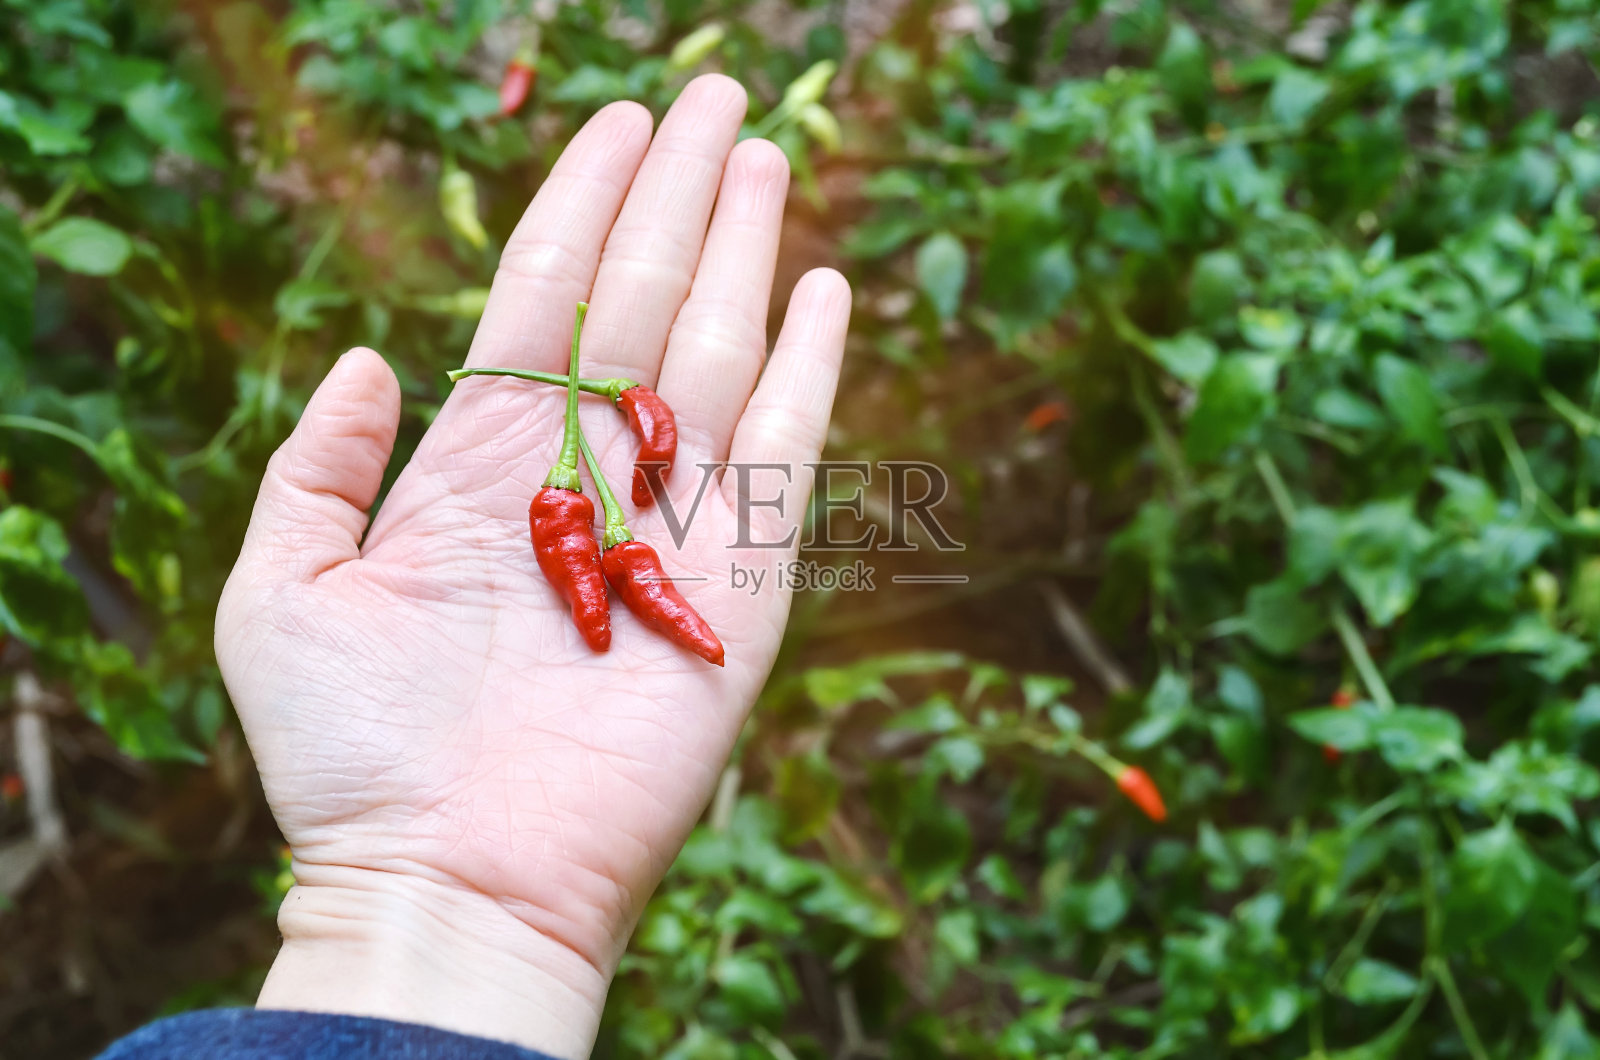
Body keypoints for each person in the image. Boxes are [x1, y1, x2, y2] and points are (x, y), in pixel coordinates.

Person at [97, 75, 851, 1060]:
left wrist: (398, 889)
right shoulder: (575, 514)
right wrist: (423, 886)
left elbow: (629, 525)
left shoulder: (586, 516)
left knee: (621, 551)